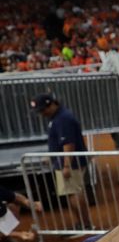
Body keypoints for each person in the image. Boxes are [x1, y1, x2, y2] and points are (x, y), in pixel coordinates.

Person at [31, 93, 92, 231]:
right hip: (67, 162)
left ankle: (85, 224)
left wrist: (66, 165)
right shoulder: (58, 117)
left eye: (43, 110)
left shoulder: (63, 118)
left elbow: (68, 143)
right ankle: (82, 223)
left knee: (74, 192)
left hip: (71, 163)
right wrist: (52, 157)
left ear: (51, 104)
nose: (42, 113)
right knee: (71, 192)